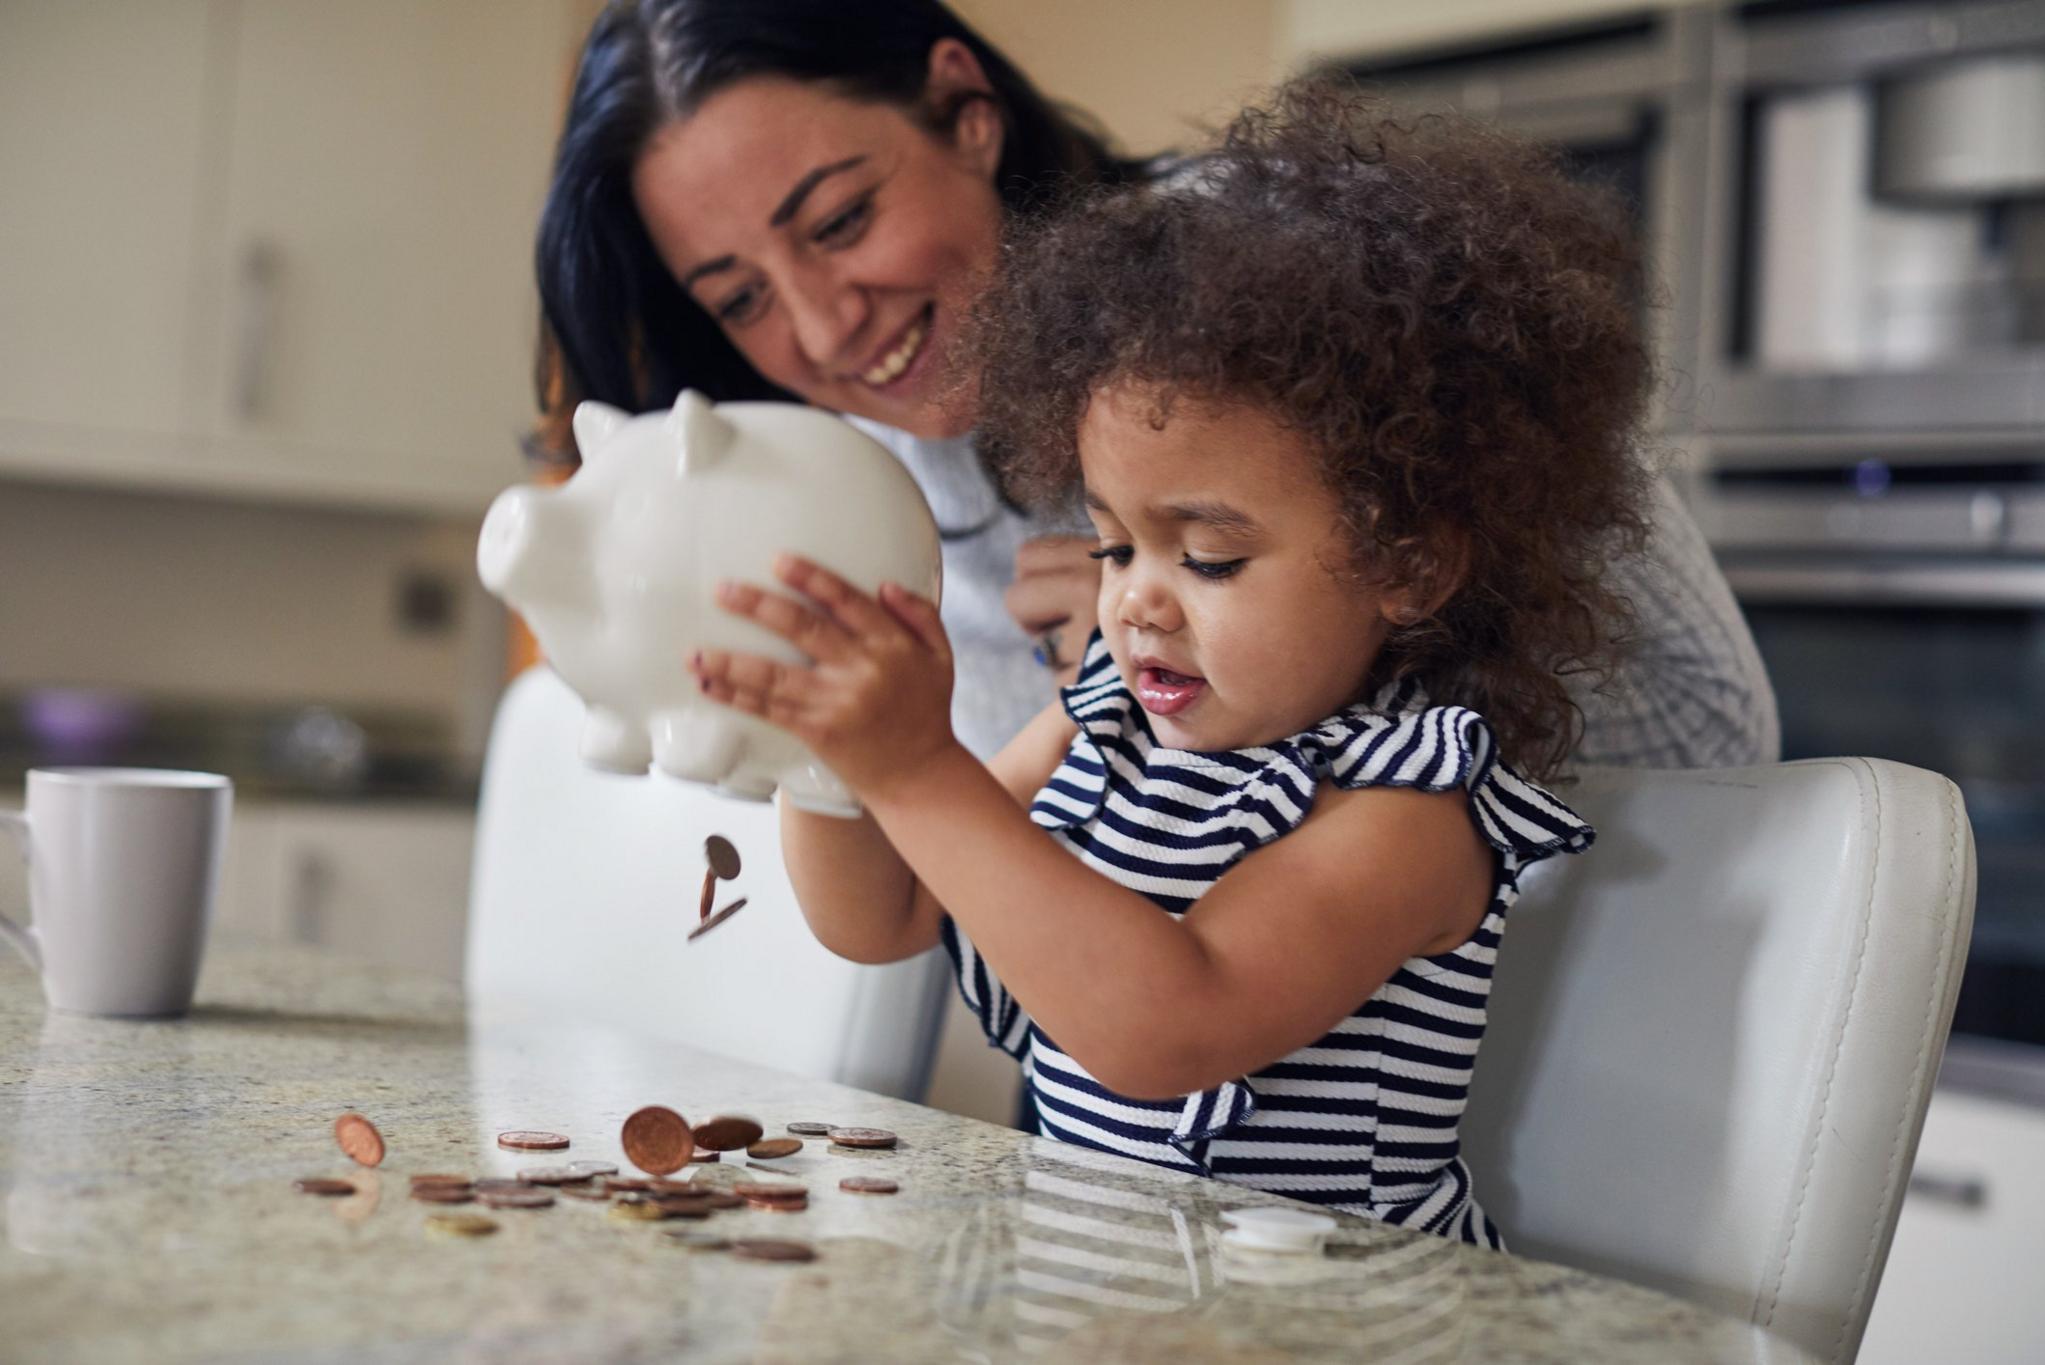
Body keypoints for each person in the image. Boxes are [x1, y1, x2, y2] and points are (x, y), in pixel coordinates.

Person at [683, 83, 1655, 1247]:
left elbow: (1168, 1027)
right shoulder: (1102, 721)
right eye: (1111, 543)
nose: (1133, 598)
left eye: (1207, 557)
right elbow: (882, 912)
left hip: (1342, 1324)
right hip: (1113, 1298)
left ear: (1407, 564)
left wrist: (917, 768)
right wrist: (830, 756)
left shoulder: (1405, 809)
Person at [533, 0, 1779, 769]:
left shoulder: (1279, 289)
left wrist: (1256, 657)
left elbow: (1705, 728)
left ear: (964, 110)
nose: (820, 323)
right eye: (739, 296)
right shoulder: (883, 471)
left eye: (842, 217)